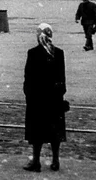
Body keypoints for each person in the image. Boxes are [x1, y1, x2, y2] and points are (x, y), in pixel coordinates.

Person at [23, 23, 66, 172]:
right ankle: (55, 161)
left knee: (37, 133)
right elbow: (62, 78)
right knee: (55, 132)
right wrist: (59, 95)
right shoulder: (58, 53)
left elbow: (28, 77)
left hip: (37, 100)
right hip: (54, 99)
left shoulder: (33, 53)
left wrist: (28, 95)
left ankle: (36, 161)